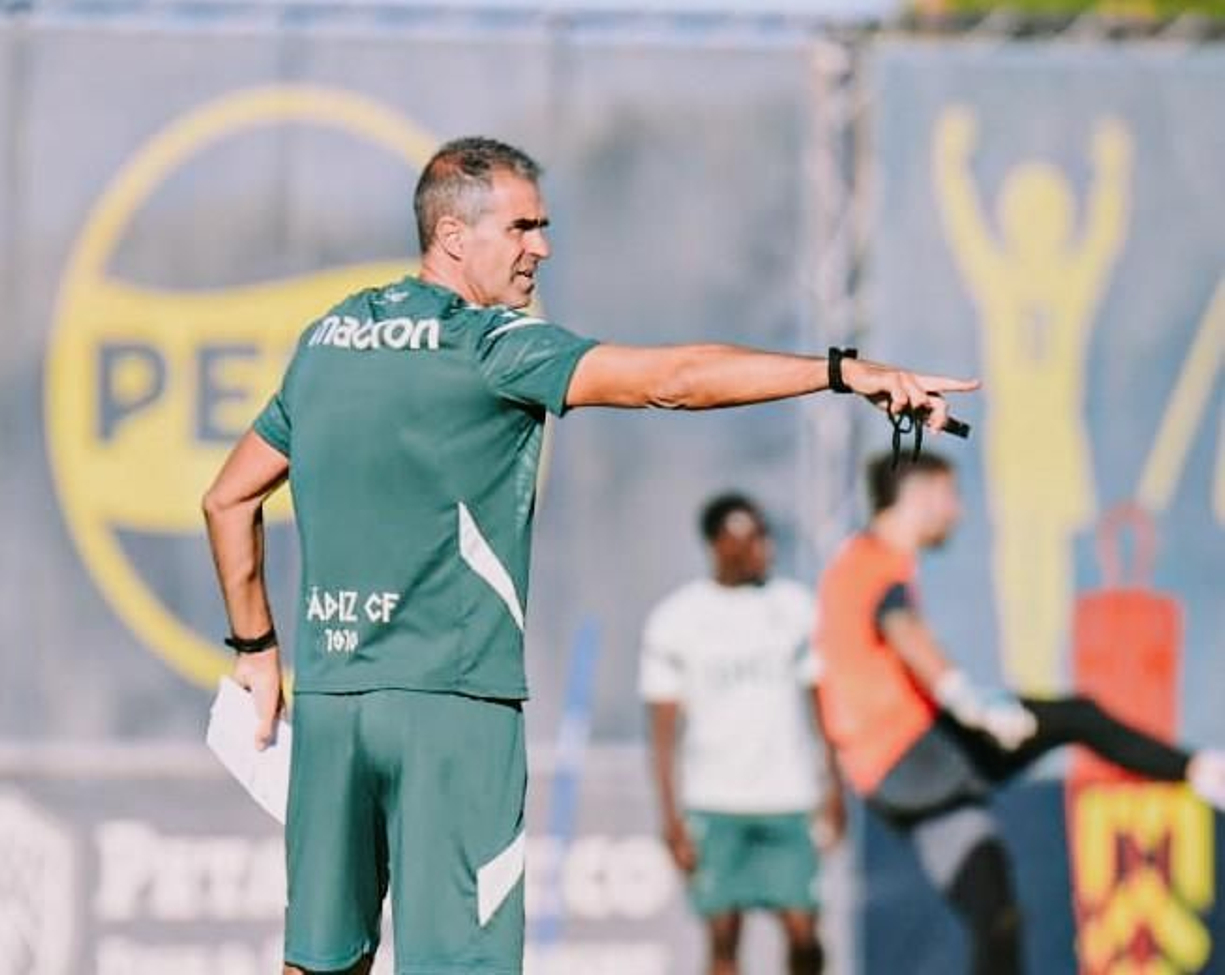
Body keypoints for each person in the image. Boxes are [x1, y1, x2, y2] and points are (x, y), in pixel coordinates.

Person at [202, 136, 975, 975]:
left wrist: (256, 650)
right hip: (454, 709)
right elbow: (674, 378)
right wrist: (840, 370)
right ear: (455, 236)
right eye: (524, 226)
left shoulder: (327, 339)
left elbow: (228, 498)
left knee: (318, 962)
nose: (544, 246)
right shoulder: (493, 344)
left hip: (334, 703)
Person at [813, 451, 1225, 975]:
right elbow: (905, 633)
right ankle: (1203, 771)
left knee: (995, 912)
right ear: (920, 496)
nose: (958, 512)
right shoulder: (876, 563)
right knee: (1078, 717)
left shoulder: (850, 562)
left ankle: (1201, 772)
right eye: (951, 495)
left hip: (907, 785)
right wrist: (970, 702)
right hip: (918, 757)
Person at [640, 493, 844, 975]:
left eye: (763, 536)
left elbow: (821, 706)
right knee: (723, 935)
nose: (761, 549)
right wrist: (671, 818)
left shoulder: (794, 607)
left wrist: (834, 789)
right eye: (747, 539)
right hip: (716, 799)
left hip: (788, 797)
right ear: (717, 544)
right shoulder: (677, 619)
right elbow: (664, 732)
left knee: (804, 933)